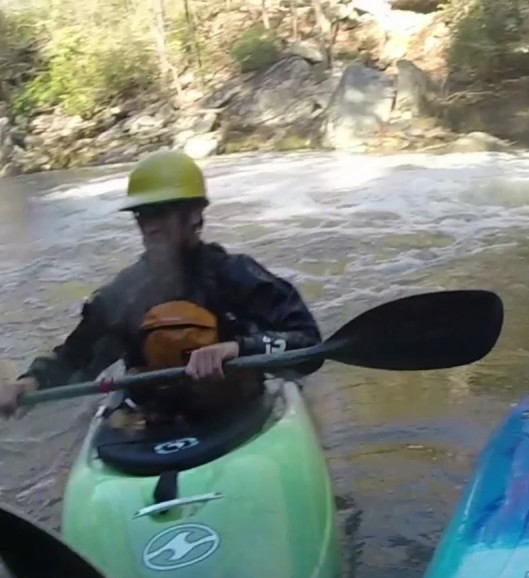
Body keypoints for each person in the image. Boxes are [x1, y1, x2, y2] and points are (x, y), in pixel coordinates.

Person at [0, 149, 322, 425]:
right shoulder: (124, 293)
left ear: (194, 215)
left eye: (161, 212)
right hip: (153, 421)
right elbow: (75, 359)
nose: (150, 224)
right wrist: (28, 384)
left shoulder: (237, 276)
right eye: (142, 214)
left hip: (236, 413)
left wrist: (237, 349)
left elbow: (308, 345)